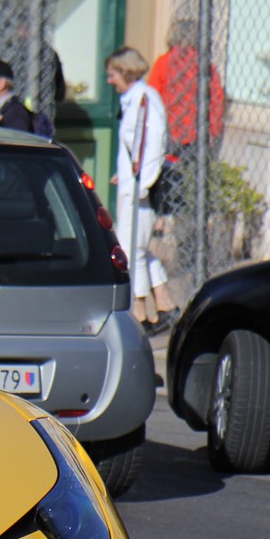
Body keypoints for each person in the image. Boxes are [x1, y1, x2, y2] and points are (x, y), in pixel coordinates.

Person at [105, 46, 179, 332]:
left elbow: (154, 142)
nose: (110, 81)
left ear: (125, 71)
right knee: (136, 248)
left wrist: (143, 182)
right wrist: (122, 174)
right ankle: (164, 304)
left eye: (112, 74)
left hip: (139, 190)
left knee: (130, 249)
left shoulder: (146, 99)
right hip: (131, 185)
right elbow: (136, 146)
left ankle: (139, 314)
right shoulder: (133, 100)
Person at [146, 18, 225, 230]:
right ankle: (189, 219)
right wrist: (212, 130)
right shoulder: (205, 66)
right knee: (191, 178)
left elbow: (152, 96)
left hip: (169, 132)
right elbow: (216, 99)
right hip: (196, 133)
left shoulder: (164, 63)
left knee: (165, 174)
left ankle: (162, 220)